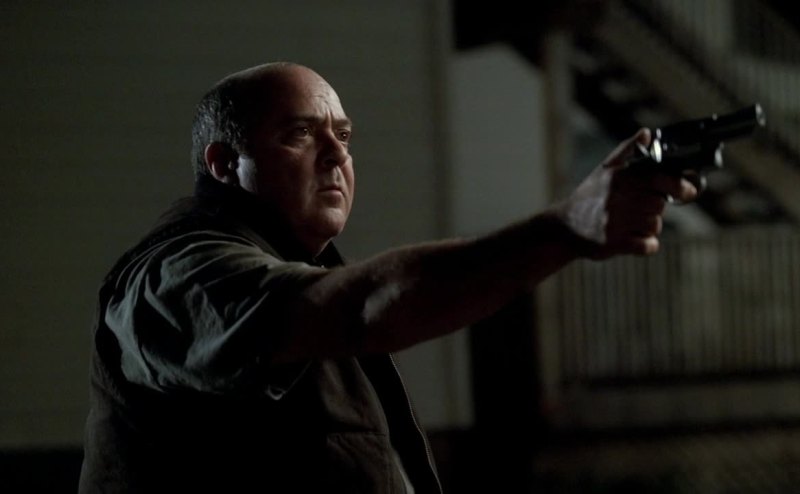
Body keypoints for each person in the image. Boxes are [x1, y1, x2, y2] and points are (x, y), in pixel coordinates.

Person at [78, 61, 696, 493]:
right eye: (300, 134)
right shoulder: (176, 276)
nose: (337, 155)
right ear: (222, 163)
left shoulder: (303, 266)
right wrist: (566, 228)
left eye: (344, 136)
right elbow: (364, 308)